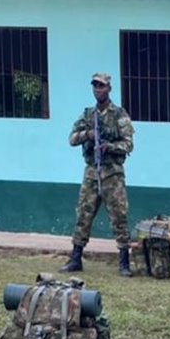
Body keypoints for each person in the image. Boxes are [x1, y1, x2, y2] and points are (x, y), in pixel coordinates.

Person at [59, 72, 134, 276]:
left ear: (109, 88)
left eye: (101, 86)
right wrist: (88, 135)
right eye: (95, 86)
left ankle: (124, 262)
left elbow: (128, 144)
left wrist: (109, 146)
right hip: (92, 172)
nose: (98, 89)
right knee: (83, 215)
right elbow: (72, 139)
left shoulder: (119, 114)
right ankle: (76, 258)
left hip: (112, 174)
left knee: (119, 216)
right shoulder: (87, 115)